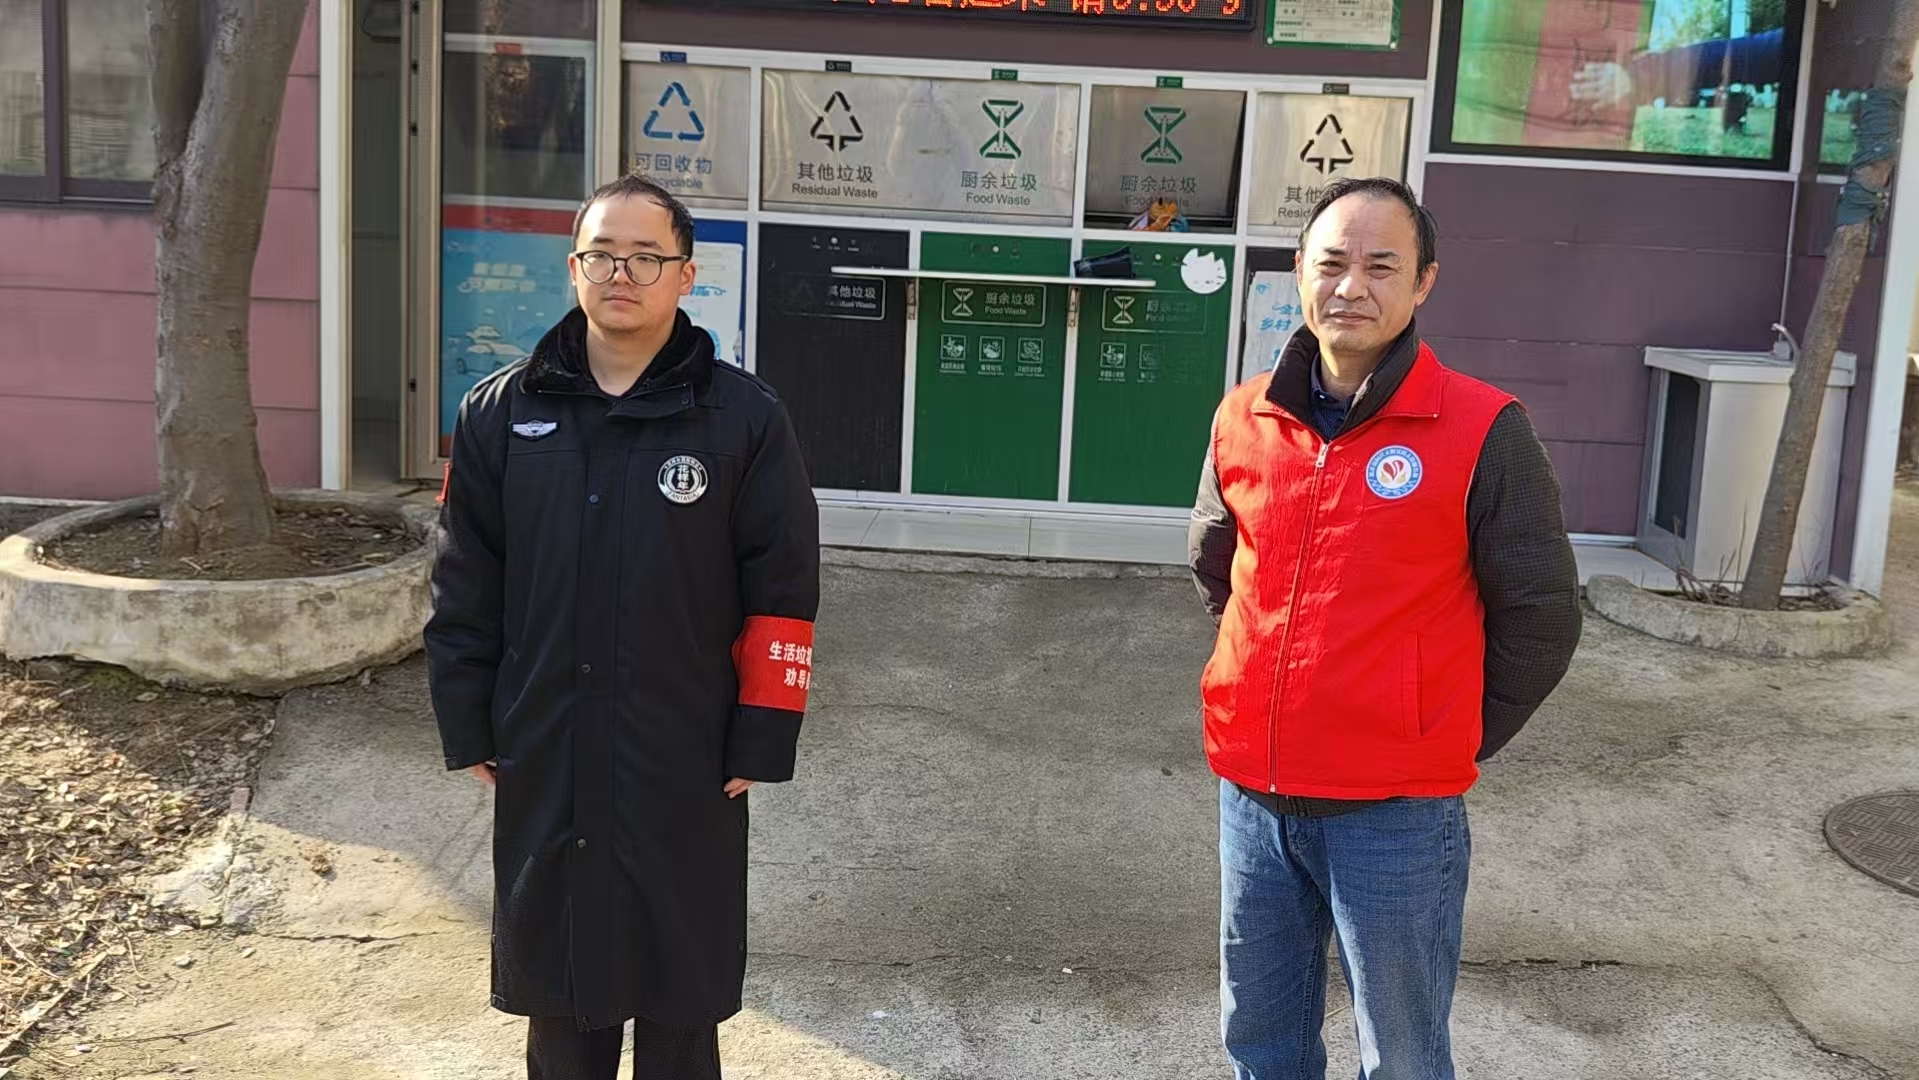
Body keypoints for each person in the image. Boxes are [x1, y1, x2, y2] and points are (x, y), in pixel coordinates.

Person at [425, 172, 820, 1080]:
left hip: (683, 747)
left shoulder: (744, 418)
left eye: (647, 256)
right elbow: (465, 581)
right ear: (573, 269)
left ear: (686, 277)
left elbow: (783, 587)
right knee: (560, 989)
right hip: (546, 737)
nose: (622, 274)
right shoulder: (500, 412)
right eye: (602, 254)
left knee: (680, 989)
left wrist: (760, 734)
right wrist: (469, 720)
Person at [1189, 176, 1582, 1079]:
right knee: (1259, 1040)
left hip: (1395, 815)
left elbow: (1541, 617)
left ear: (1422, 282)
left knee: (1400, 1055)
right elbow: (1217, 566)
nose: (1350, 287)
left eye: (1380, 267)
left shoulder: (1483, 429)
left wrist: (1439, 730)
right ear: (1299, 271)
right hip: (1254, 796)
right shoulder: (1243, 416)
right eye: (1331, 263)